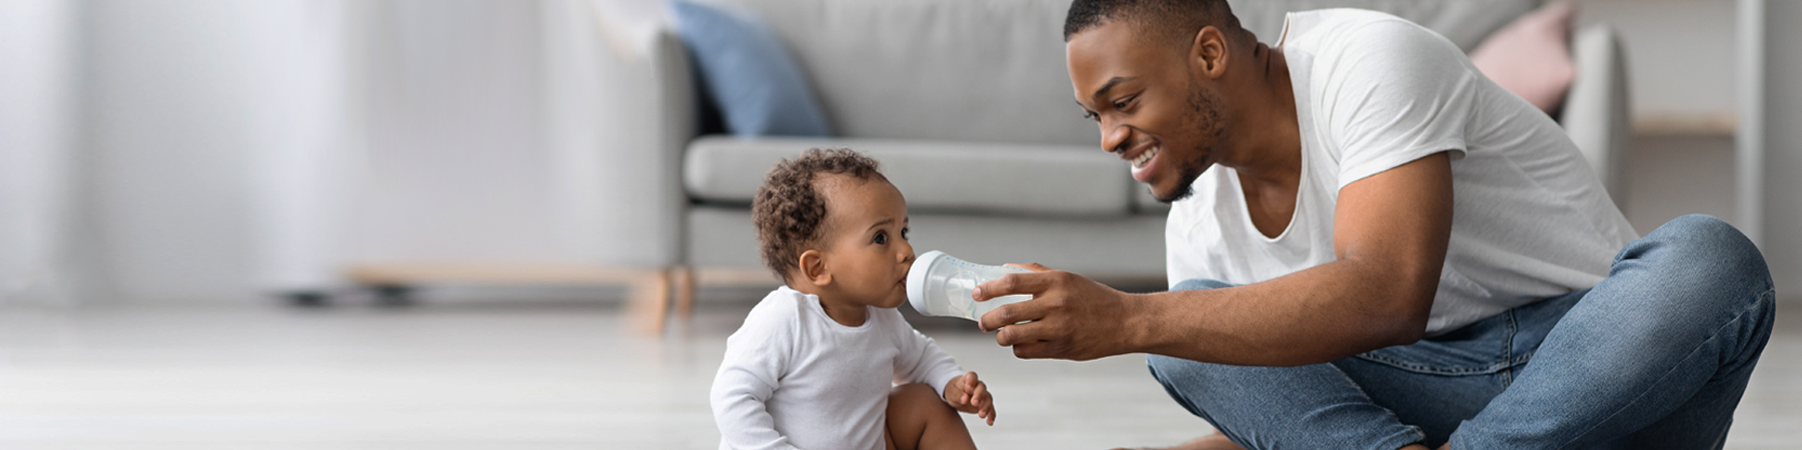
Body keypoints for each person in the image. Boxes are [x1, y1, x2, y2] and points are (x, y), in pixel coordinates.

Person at [970, 0, 1776, 448]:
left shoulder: (1365, 59)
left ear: (1209, 54)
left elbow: (1390, 293)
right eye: (1094, 117)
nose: (1110, 137)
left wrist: (1127, 315)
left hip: (1599, 379)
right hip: (1424, 409)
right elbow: (1305, 419)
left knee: (1709, 257)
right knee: (1187, 343)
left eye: (1123, 101)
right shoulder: (1200, 229)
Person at [712, 148, 997, 450]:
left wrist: (950, 384)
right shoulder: (784, 319)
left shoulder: (881, 318)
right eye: (881, 238)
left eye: (903, 231)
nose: (906, 250)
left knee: (925, 403)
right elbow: (732, 398)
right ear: (819, 268)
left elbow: (922, 358)